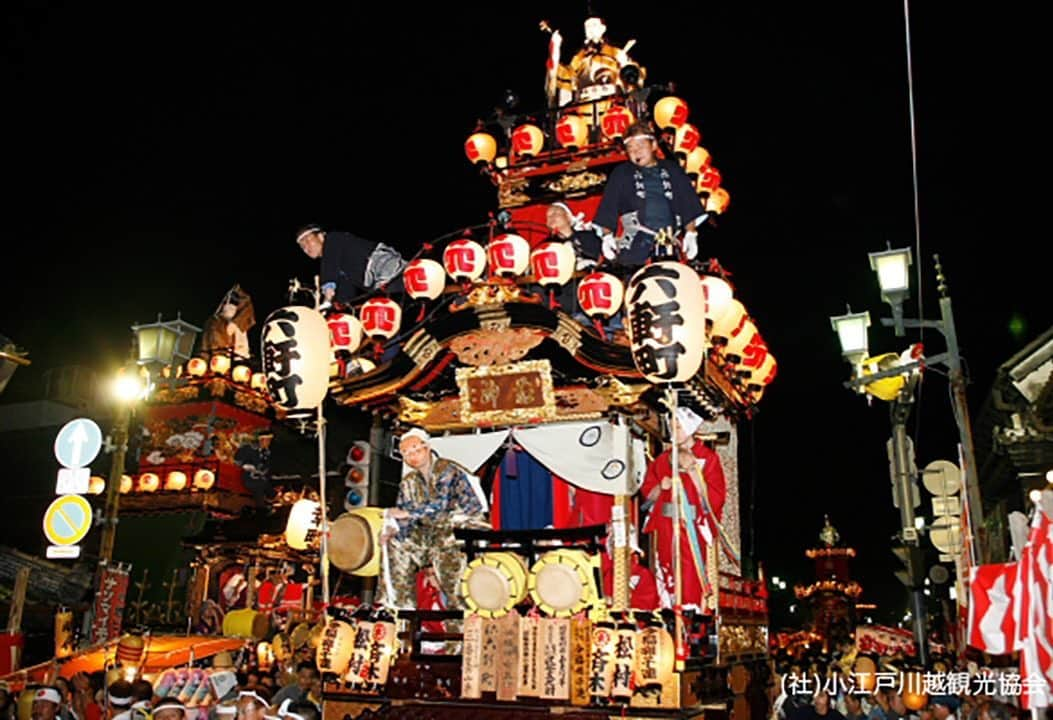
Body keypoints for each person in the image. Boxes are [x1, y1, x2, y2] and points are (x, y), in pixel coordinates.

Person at [377, 427, 489, 610]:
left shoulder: (447, 469)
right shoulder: (408, 482)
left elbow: (442, 505)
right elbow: (404, 516)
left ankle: (460, 619)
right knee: (396, 543)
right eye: (406, 453)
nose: (412, 455)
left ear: (427, 447)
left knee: (446, 544)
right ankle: (400, 609)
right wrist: (392, 531)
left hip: (463, 527)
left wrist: (408, 513)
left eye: (415, 449)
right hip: (430, 533)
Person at [639, 406, 727, 610]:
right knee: (667, 572)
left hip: (693, 528)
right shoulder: (662, 460)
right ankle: (669, 614)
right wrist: (661, 487)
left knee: (690, 576)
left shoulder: (708, 458)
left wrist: (694, 472)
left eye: (677, 425)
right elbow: (648, 495)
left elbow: (716, 498)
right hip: (666, 527)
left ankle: (692, 614)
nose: (673, 430)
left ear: (690, 427)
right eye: (671, 425)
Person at [592, 121, 707, 268]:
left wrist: (691, 234)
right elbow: (609, 206)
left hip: (670, 242)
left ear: (653, 146)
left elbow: (687, 201)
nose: (636, 152)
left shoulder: (672, 169)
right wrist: (607, 236)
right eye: (631, 148)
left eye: (640, 146)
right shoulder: (621, 173)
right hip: (635, 242)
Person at [295, 226, 407, 304]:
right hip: (377, 282)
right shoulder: (340, 266)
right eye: (302, 247)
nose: (306, 248)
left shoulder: (333, 239)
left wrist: (327, 297)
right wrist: (337, 307)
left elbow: (329, 269)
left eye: (308, 240)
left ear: (321, 236)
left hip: (382, 265)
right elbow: (345, 291)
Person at [234, 430, 275, 511]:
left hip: (262, 476)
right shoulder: (248, 448)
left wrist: (265, 471)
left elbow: (267, 464)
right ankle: (262, 509)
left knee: (270, 486)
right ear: (262, 440)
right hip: (250, 477)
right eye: (268, 440)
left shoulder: (267, 452)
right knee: (258, 487)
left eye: (269, 441)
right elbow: (237, 460)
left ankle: (273, 500)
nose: (269, 443)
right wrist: (247, 466)